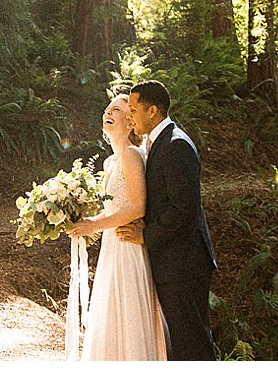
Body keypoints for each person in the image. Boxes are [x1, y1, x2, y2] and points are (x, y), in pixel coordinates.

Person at [119, 79, 217, 361]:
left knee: (192, 341)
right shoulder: (156, 142)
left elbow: (182, 209)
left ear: (152, 111)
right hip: (171, 261)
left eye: (134, 109)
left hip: (184, 263)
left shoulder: (176, 145)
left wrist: (145, 235)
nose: (130, 116)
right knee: (176, 341)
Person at [65, 95, 168, 361]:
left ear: (131, 122)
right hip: (111, 247)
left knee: (127, 313)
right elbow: (114, 210)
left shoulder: (133, 156)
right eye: (108, 108)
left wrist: (95, 225)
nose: (108, 112)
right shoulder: (110, 161)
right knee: (109, 312)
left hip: (128, 248)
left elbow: (136, 208)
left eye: (118, 110)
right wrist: (80, 223)